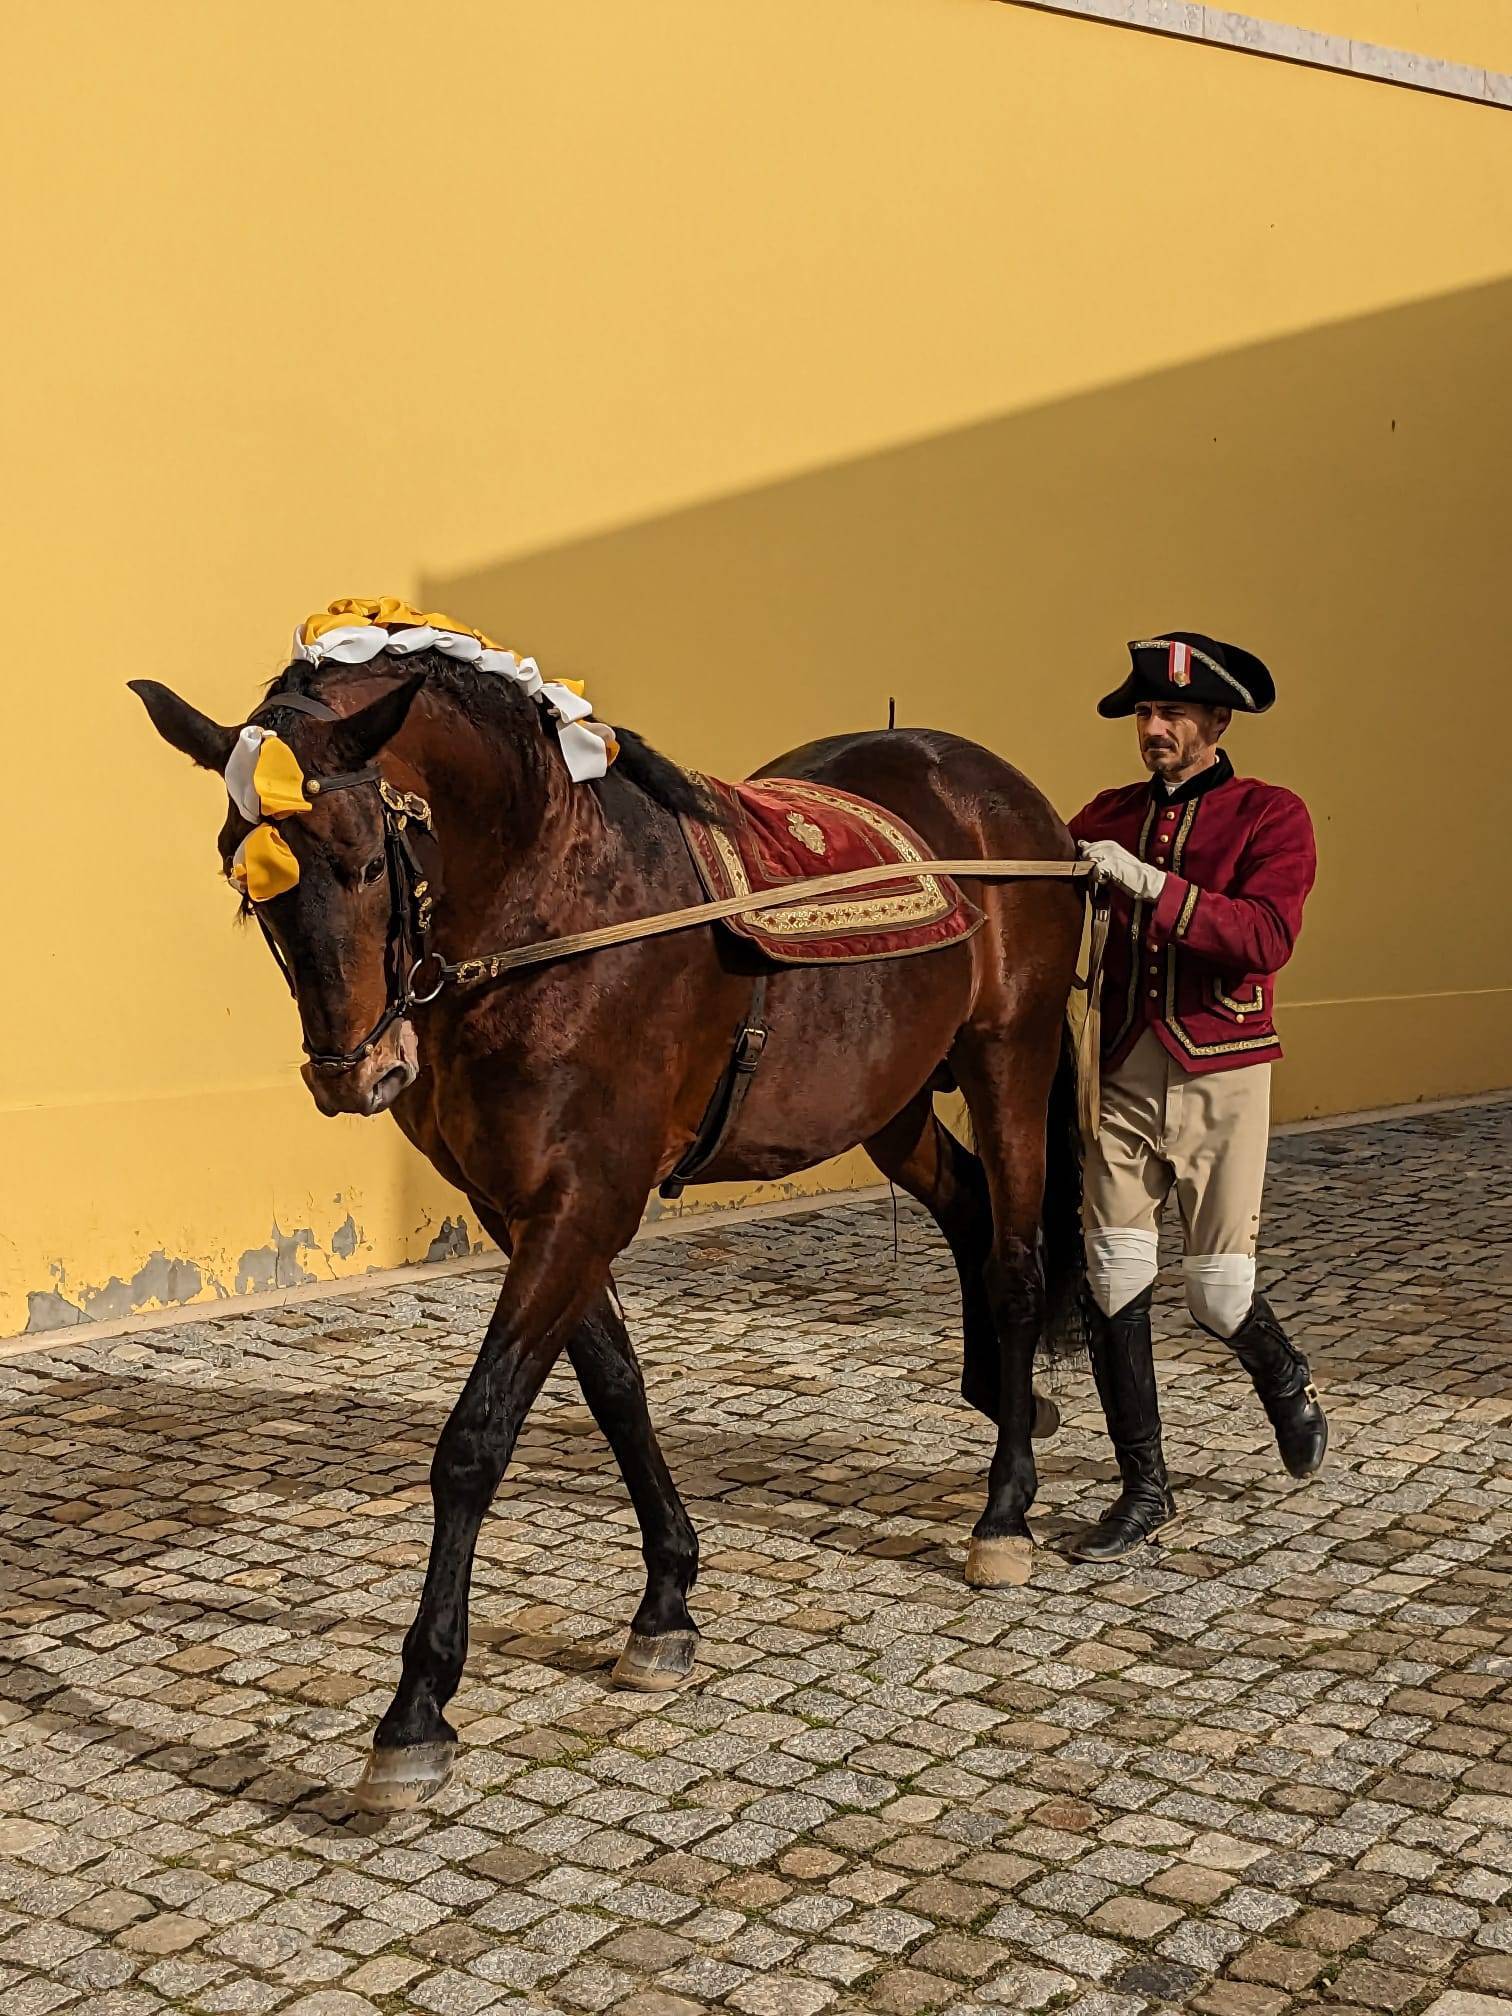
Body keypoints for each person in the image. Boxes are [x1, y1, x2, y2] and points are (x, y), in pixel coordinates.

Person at [1067, 633, 1327, 1561]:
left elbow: (1264, 937)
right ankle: (1144, 1489)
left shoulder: (1271, 815)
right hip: (1126, 1065)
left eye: (1172, 713)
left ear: (1217, 723)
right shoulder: (1106, 813)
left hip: (1223, 1064)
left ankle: (1284, 1373)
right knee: (1113, 1278)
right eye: (1144, 713)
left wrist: (1150, 886)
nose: (1154, 729)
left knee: (1218, 1292)